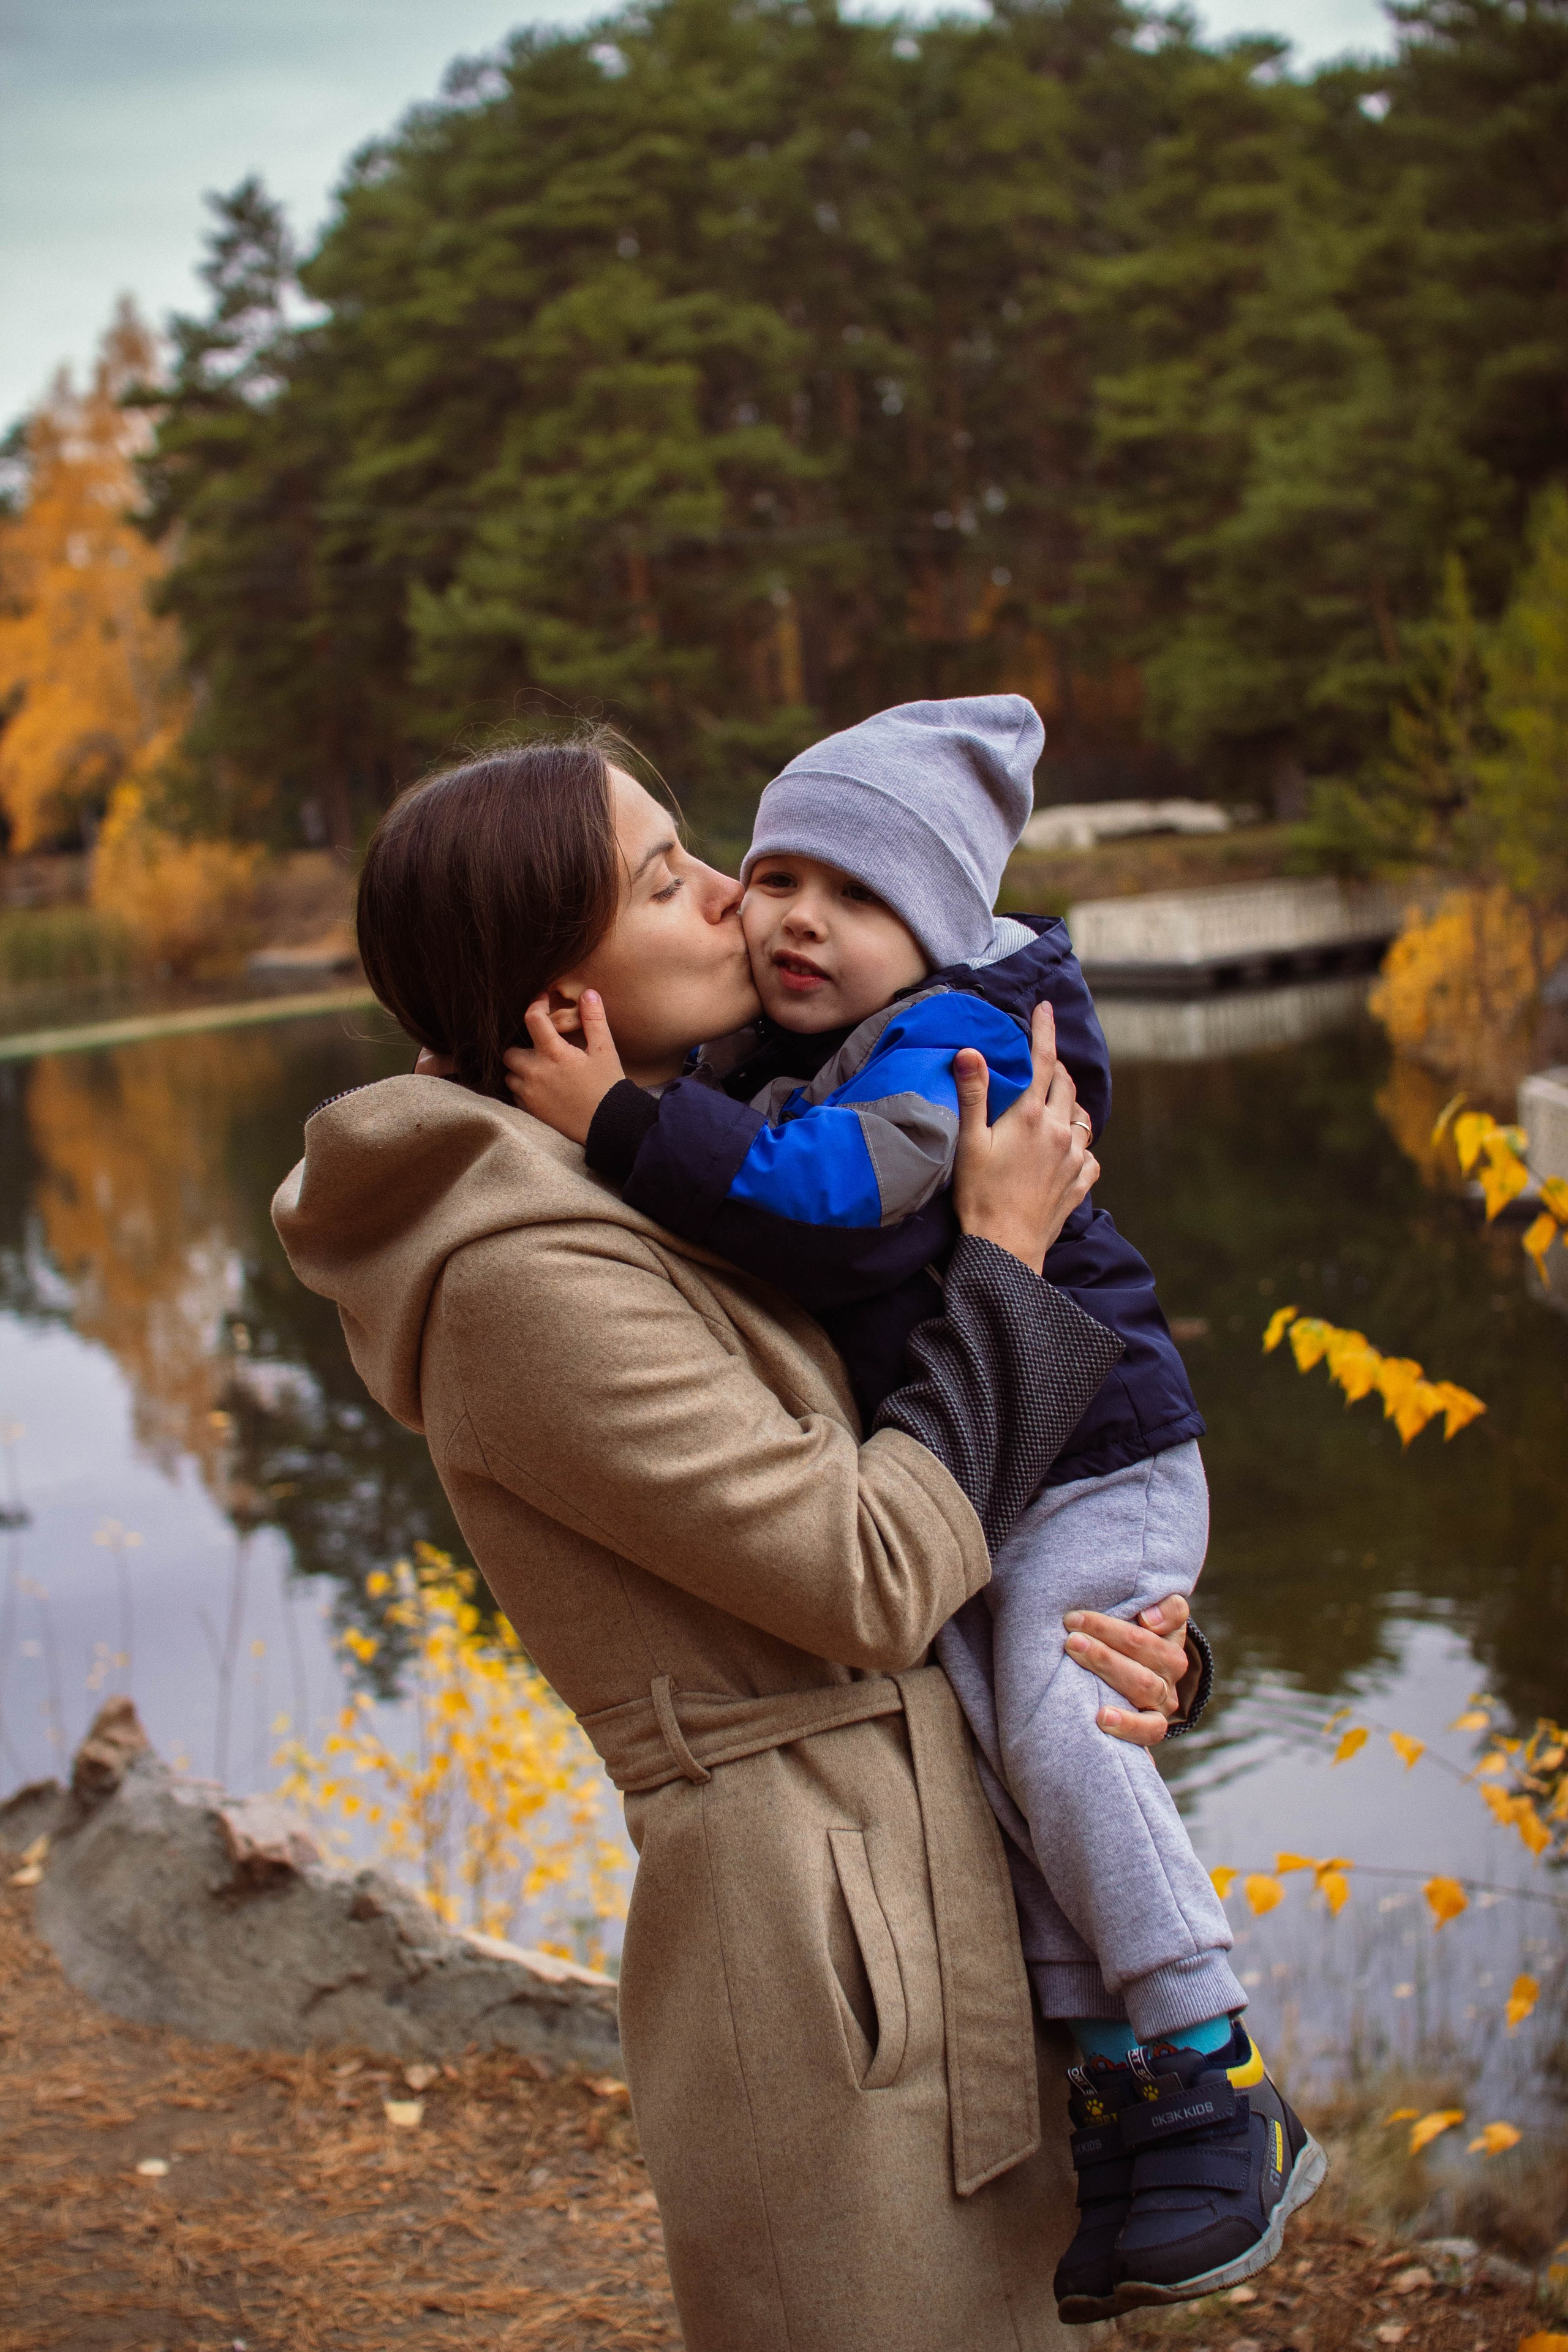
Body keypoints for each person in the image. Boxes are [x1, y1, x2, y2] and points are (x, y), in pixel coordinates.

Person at [274, 731, 1207, 2352]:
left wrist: (1127, 1634)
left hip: (936, 1877)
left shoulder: (697, 1157)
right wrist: (1006, 1256)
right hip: (814, 1955)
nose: (735, 898)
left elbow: (914, 1470)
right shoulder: (520, 1272)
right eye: (667, 880)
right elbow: (871, 1568)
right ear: (554, 981)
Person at [502, 698, 1323, 2323]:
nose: (777, 911)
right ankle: (1129, 2089)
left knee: (1052, 1725)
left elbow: (821, 1203)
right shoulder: (768, 1089)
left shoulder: (951, 1053)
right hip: (969, 1557)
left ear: (937, 929)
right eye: (763, 871)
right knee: (1017, 1741)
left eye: (850, 897)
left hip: (1091, 1462)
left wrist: (617, 1118)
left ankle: (1209, 2067)